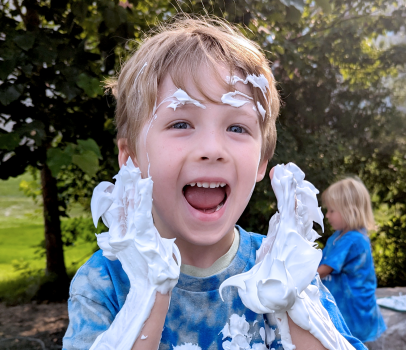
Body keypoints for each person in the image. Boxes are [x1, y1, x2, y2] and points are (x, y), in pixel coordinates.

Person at [64, 17, 367, 350]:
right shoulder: (104, 283)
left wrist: (296, 304)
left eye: (237, 128)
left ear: (261, 162)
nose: (211, 150)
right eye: (181, 122)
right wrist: (147, 298)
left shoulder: (289, 270)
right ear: (131, 157)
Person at [317, 177, 387, 343]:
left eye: (332, 211)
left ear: (350, 210)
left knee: (351, 343)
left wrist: (296, 277)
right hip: (345, 306)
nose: (327, 215)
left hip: (353, 310)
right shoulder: (337, 237)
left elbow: (322, 270)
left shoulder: (353, 240)